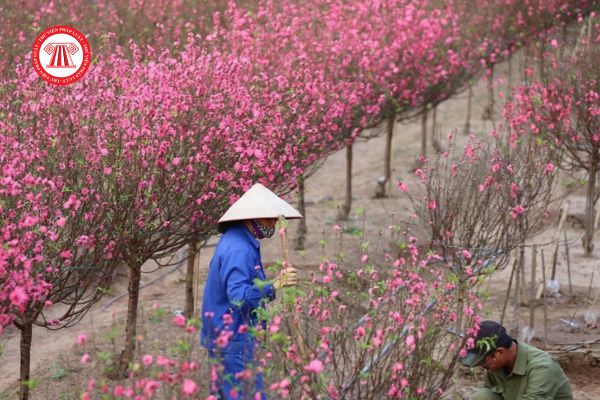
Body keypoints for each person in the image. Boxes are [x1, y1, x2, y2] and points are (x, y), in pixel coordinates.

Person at [201, 183, 302, 399]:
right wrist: (275, 284)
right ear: (251, 218)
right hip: (233, 340)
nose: (273, 223)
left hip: (224, 336)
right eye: (268, 218)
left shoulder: (238, 242)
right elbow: (238, 298)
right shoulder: (239, 250)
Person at [460, 320, 572, 400]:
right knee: (482, 396)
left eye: (483, 361)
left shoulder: (542, 366)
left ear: (499, 352)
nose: (481, 365)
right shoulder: (495, 366)